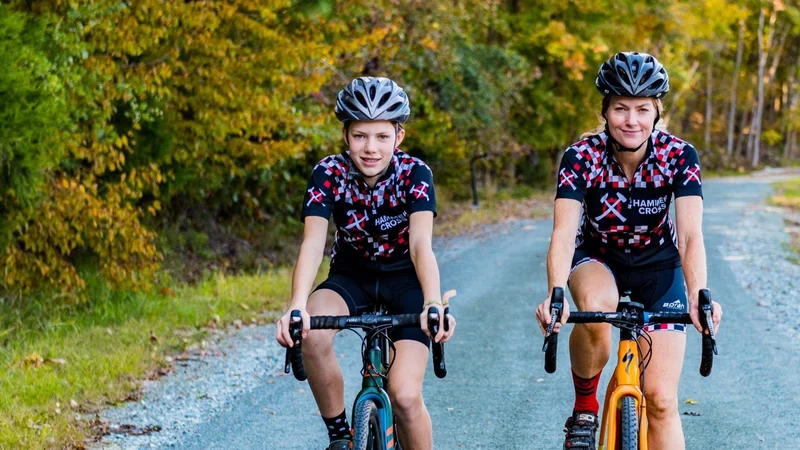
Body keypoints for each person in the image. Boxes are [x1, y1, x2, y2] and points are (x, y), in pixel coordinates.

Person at [534, 52, 723, 450]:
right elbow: (565, 233)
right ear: (605, 110)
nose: (631, 120)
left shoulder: (680, 156)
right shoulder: (580, 157)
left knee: (662, 399)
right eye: (621, 108)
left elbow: (690, 237)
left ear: (657, 112)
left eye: (642, 109)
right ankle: (585, 408)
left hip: (659, 267)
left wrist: (699, 295)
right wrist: (555, 293)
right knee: (599, 303)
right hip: (597, 259)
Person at [275, 76, 456, 450]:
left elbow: (422, 244)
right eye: (360, 136)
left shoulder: (415, 175)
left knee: (405, 396)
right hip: (351, 276)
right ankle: (341, 436)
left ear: (398, 137)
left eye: (381, 136)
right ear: (346, 136)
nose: (370, 148)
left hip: (406, 281)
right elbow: (313, 243)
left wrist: (433, 302)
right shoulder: (328, 173)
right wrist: (296, 305)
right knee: (312, 332)